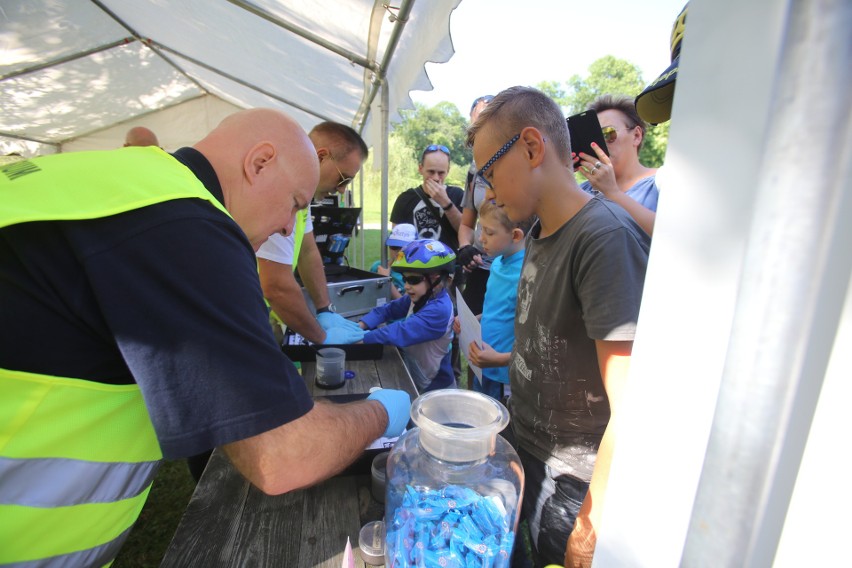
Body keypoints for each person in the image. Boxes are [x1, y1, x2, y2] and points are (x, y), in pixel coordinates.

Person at [0, 108, 411, 566]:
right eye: (295, 204)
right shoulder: (185, 224)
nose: (286, 228)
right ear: (260, 162)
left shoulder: (118, 182)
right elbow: (283, 456)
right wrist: (379, 413)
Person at [467, 87, 650, 567]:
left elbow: (631, 408)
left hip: (572, 483)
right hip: (528, 454)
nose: (487, 191)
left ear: (531, 147)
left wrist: (589, 528)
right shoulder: (536, 233)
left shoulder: (603, 238)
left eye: (489, 172)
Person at [256, 121, 369, 345]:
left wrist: (324, 309)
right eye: (343, 178)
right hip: (247, 315)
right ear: (320, 157)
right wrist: (322, 336)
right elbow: (275, 286)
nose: (342, 189)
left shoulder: (302, 196)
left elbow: (308, 252)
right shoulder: (279, 192)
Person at [456, 200, 533, 401]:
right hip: (484, 365)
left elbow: (536, 342)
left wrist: (499, 360)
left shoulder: (528, 275)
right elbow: (497, 309)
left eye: (489, 233)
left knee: (499, 428)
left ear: (515, 235)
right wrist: (472, 319)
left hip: (505, 376)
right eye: (480, 230)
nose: (480, 239)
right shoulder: (498, 261)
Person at [358, 239, 456, 392]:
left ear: (438, 280)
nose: (406, 286)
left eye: (414, 280)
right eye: (405, 279)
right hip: (418, 376)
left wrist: (359, 339)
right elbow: (388, 310)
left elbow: (400, 331)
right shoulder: (421, 297)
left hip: (436, 387)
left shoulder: (439, 310)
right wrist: (360, 326)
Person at [573, 94, 659, 236]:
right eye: (593, 137)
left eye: (608, 133)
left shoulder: (662, 181)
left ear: (637, 135)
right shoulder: (581, 192)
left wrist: (612, 193)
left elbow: (673, 236)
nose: (601, 143)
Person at [390, 144, 464, 251]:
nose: (435, 178)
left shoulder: (457, 195)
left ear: (448, 171)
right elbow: (395, 243)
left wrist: (446, 203)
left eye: (441, 173)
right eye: (431, 172)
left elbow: (466, 233)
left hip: (447, 264)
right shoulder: (405, 198)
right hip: (413, 265)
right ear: (420, 169)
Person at [369, 223, 417, 300]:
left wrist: (387, 280)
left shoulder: (415, 273)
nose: (398, 252)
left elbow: (403, 305)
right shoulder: (378, 266)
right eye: (394, 247)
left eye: (403, 248)